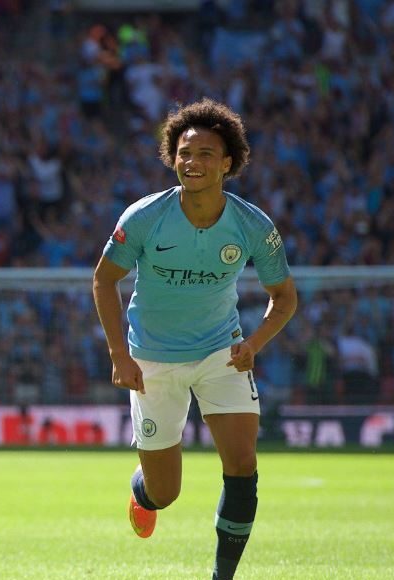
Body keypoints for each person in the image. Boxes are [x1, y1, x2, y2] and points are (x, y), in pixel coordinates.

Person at [92, 99, 297, 580]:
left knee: (242, 463)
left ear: (227, 163)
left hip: (221, 354)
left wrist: (254, 344)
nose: (193, 162)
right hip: (152, 360)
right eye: (184, 153)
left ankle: (222, 576)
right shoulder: (145, 216)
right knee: (165, 493)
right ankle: (143, 493)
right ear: (172, 158)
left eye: (206, 154)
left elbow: (284, 297)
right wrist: (119, 354)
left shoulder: (252, 225)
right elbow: (104, 280)